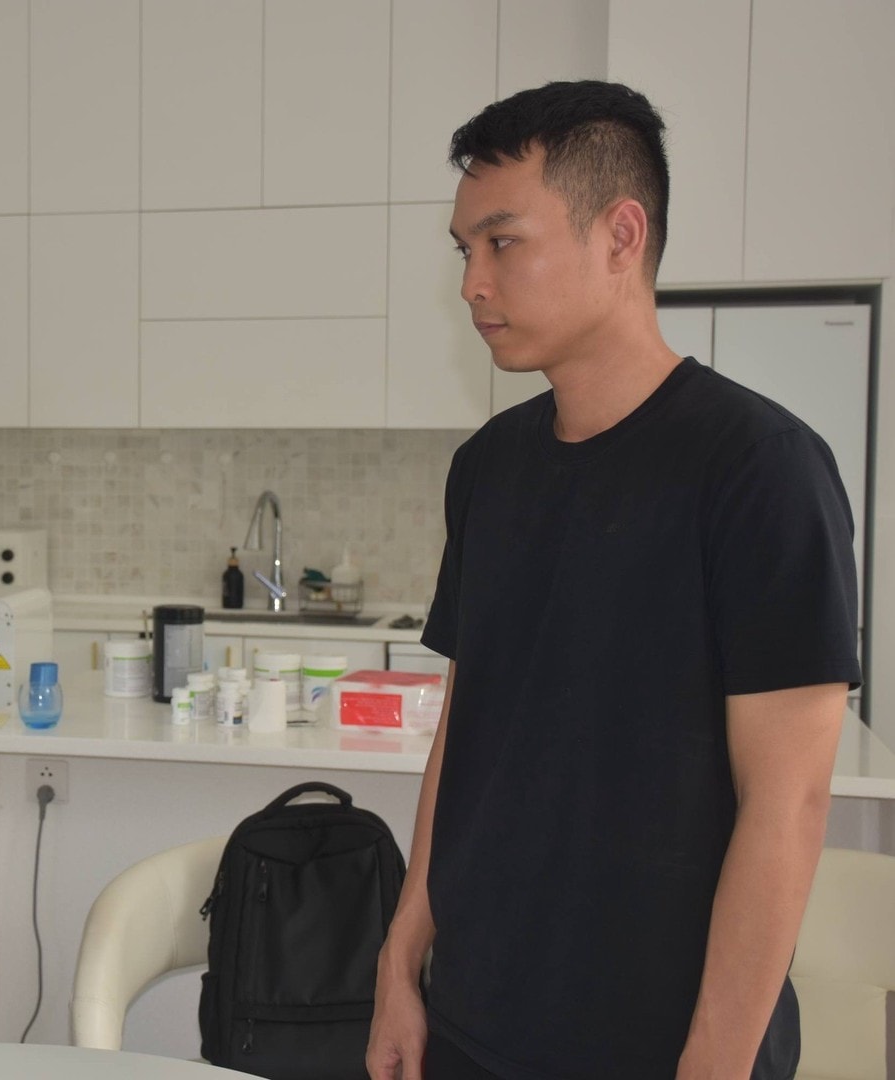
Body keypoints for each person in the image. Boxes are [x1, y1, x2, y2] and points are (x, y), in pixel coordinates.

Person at [366, 81, 860, 1080]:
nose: (472, 284)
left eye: (503, 243)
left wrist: (713, 1061)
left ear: (621, 236)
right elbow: (467, 730)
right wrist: (400, 957)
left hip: (663, 1042)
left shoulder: (759, 468)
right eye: (464, 251)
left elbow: (789, 805)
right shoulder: (488, 468)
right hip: (474, 1021)